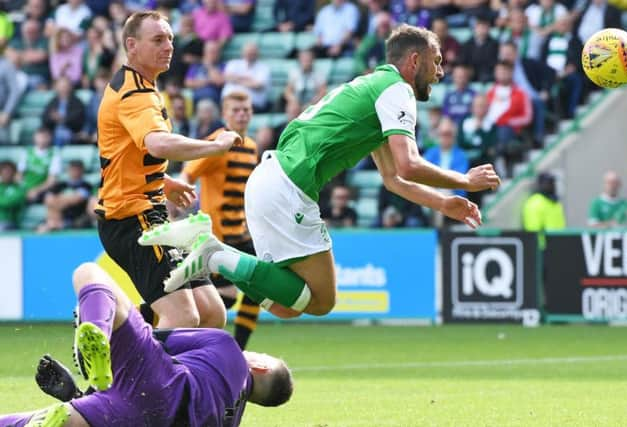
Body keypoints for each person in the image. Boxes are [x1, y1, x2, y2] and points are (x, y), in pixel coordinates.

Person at [140, 24, 501, 319]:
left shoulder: (370, 87)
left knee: (285, 306)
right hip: (288, 187)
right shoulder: (397, 90)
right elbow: (409, 163)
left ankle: (214, 253)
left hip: (268, 179)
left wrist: (443, 204)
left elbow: (394, 178)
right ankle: (214, 252)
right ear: (414, 59)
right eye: (436, 62)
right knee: (322, 300)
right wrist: (465, 181)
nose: (440, 73)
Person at [0, 262, 293, 427]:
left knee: (89, 274)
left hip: (161, 385)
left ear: (262, 366)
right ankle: (76, 404)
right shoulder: (229, 421)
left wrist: (117, 318)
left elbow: (155, 339)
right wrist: (76, 396)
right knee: (49, 421)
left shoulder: (227, 349)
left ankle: (97, 331)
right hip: (137, 418)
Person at [94, 11, 243, 329]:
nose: (169, 46)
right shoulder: (136, 94)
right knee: (183, 317)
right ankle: (132, 367)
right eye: (158, 40)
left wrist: (164, 181)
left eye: (171, 39)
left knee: (212, 314)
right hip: (132, 219)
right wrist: (215, 146)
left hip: (151, 213)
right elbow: (158, 144)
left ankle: (122, 330)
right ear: (131, 45)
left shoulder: (137, 85)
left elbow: (126, 154)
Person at [179, 91, 262, 350]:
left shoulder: (250, 146)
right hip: (215, 239)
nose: (242, 114)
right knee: (217, 300)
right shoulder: (218, 142)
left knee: (258, 288)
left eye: (246, 109)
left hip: (240, 234)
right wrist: (179, 196)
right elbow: (189, 171)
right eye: (236, 110)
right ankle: (190, 344)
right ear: (225, 115)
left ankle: (237, 349)